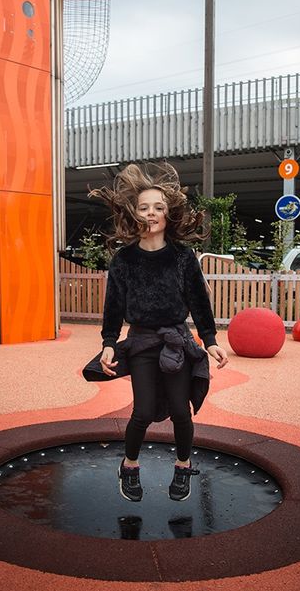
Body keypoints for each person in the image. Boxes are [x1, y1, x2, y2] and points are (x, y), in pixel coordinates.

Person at [87, 163, 228, 503]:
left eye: (159, 207)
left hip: (177, 341)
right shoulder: (124, 260)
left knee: (181, 410)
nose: (151, 213)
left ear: (169, 215)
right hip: (142, 343)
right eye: (144, 207)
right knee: (144, 411)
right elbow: (114, 308)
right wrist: (108, 344)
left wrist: (210, 341)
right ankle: (129, 465)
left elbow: (198, 301)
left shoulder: (182, 257)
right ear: (134, 214)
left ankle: (183, 466)